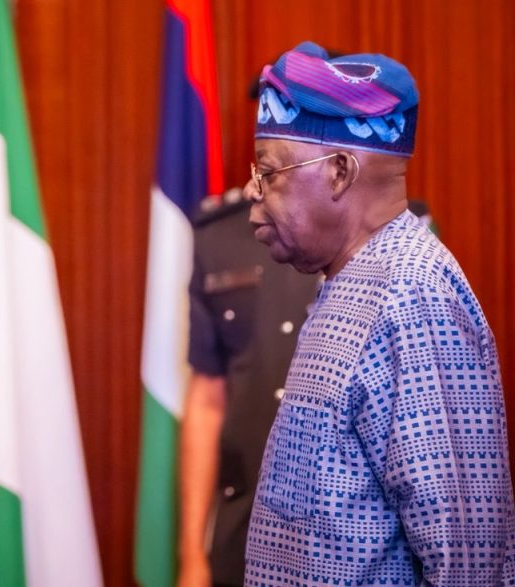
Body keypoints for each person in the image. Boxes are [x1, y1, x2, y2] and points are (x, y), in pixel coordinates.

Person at [241, 42, 515, 585]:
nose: (251, 189)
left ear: (340, 171)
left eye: (269, 173)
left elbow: (466, 558)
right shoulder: (349, 278)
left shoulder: (413, 297)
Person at [179, 188, 434, 587]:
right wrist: (192, 554)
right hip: (241, 531)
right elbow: (206, 400)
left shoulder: (390, 238)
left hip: (353, 541)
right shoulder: (218, 235)